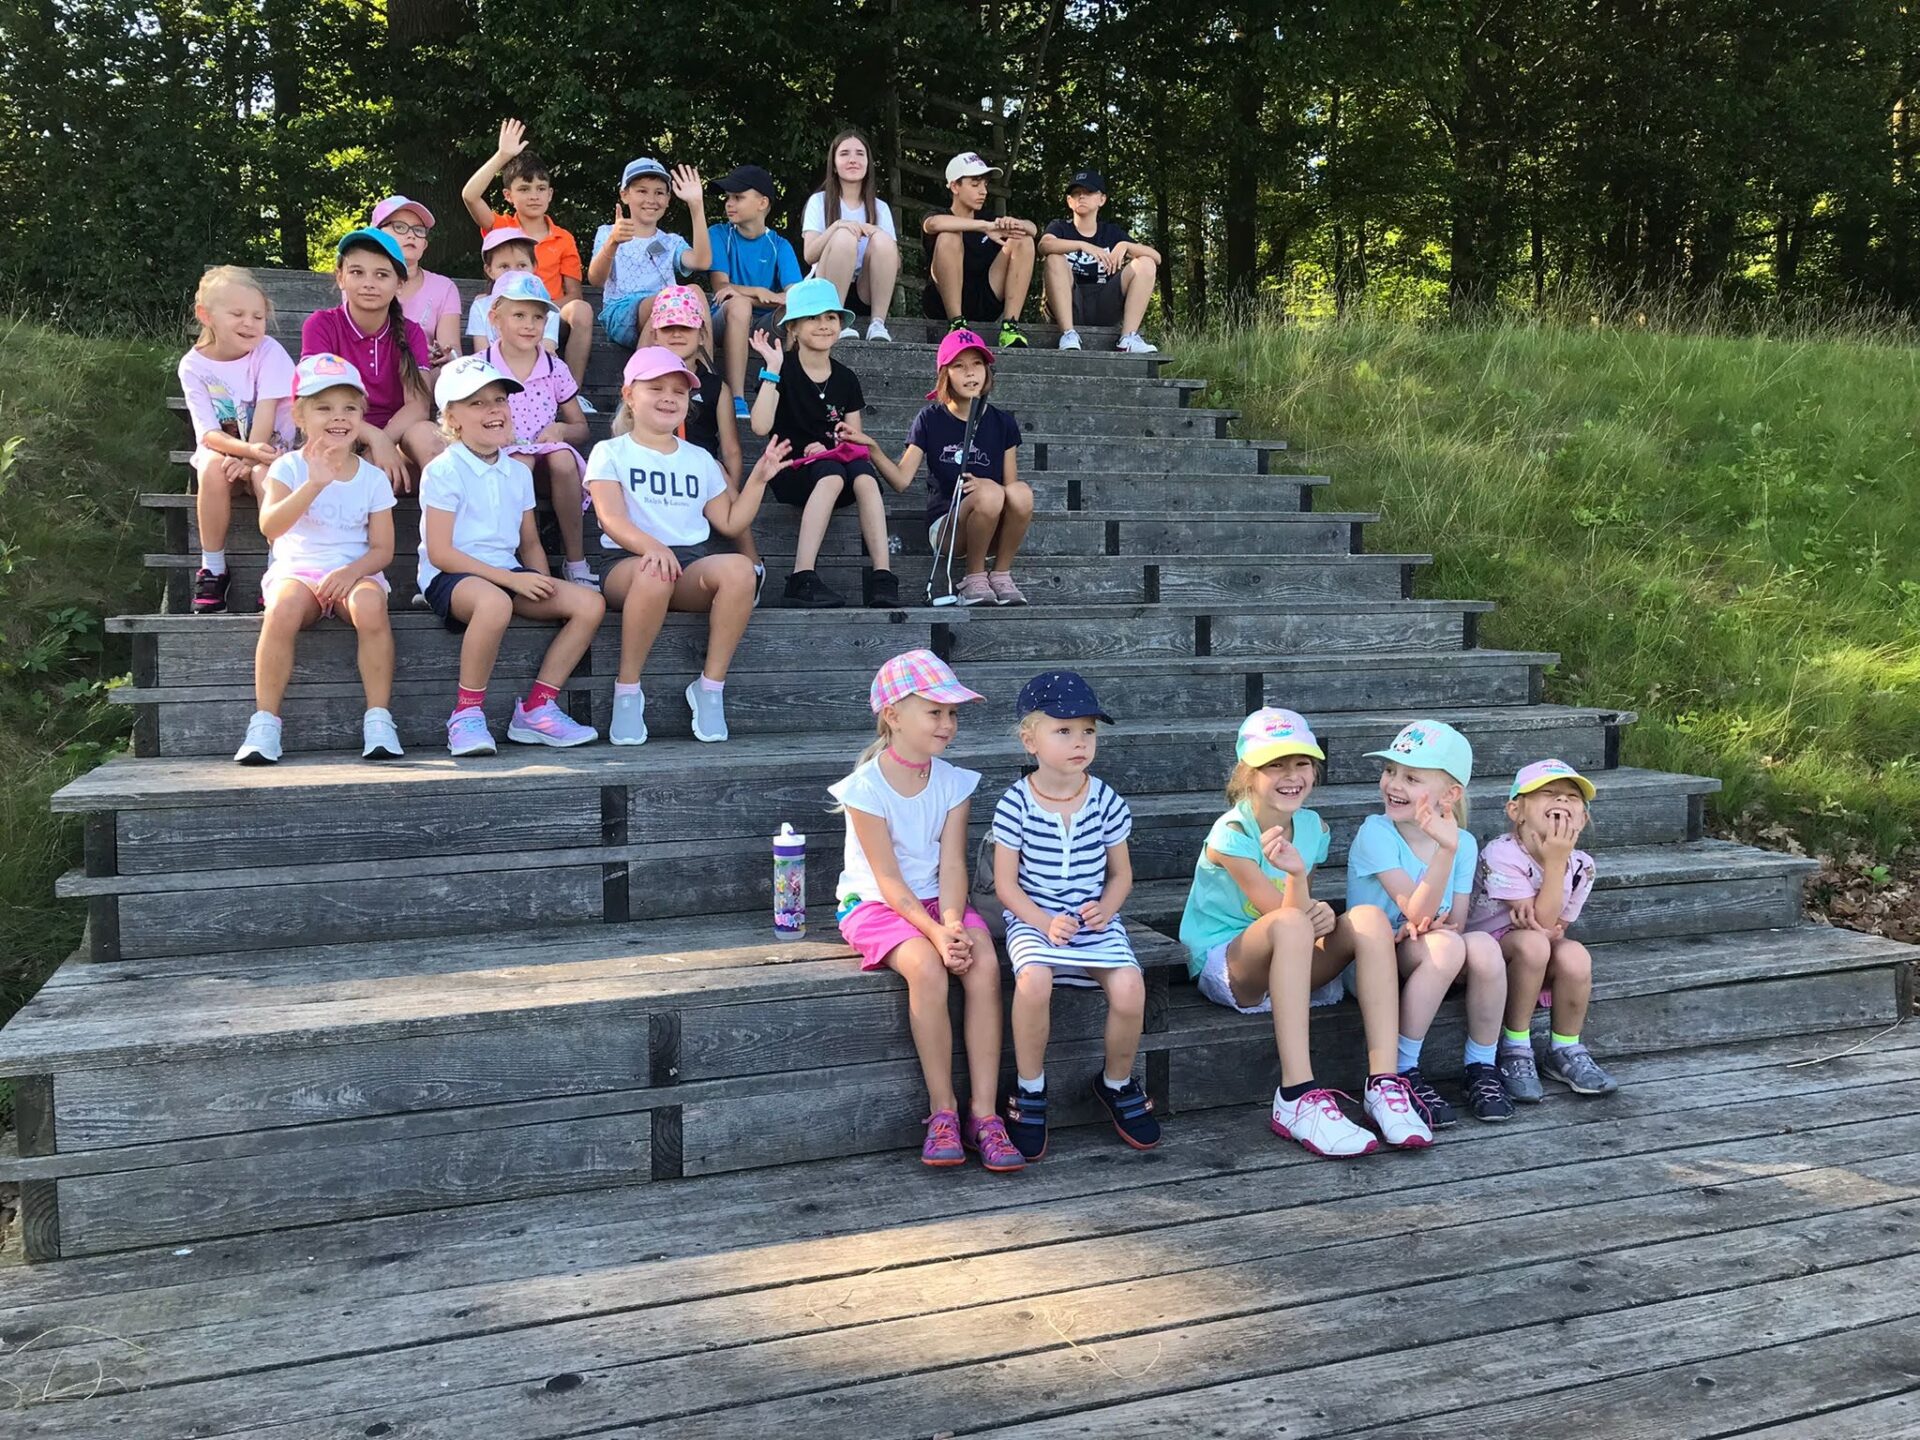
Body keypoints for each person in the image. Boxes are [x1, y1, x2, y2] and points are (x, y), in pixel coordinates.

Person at [1180, 709, 1432, 1157]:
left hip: (1289, 951)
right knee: (1292, 922)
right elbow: (1281, 912)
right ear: (1248, 773)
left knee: (1369, 919)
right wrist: (1301, 888)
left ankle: (1383, 1082)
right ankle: (1296, 1095)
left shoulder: (1314, 827)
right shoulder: (1232, 833)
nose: (1292, 775)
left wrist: (1322, 916)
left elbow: (1301, 912)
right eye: (1275, 765)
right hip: (1231, 965)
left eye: (1301, 763)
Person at [830, 650, 1024, 1173]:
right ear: (893, 715)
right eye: (934, 711)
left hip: (941, 901)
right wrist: (936, 936)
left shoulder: (953, 782)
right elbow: (889, 882)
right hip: (876, 904)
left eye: (952, 713)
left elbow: (953, 863)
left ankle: (985, 1114)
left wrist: (954, 922)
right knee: (926, 967)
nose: (947, 723)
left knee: (984, 962)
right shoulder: (865, 788)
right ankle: (943, 1110)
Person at [992, 671, 1159, 1159]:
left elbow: (1121, 875)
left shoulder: (1105, 800)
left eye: (1088, 731)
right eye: (1063, 730)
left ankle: (1116, 1082)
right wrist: (1043, 922)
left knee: (1130, 987)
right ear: (1031, 741)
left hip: (1093, 923)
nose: (1080, 741)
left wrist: (1107, 907)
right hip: (1034, 919)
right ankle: (1031, 1086)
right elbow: (1006, 886)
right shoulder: (1016, 804)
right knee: (1033, 981)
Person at [585, 347, 786, 746]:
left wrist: (759, 479)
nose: (669, 398)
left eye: (678, 392)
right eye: (656, 388)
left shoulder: (700, 459)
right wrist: (652, 548)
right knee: (653, 571)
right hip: (628, 564)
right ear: (629, 395)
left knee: (740, 570)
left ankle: (710, 687)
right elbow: (611, 519)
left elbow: (730, 523)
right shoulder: (609, 451)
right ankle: (628, 690)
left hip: (690, 566)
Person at [415, 355, 603, 756]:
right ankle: (466, 715)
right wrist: (512, 580)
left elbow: (529, 542)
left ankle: (537, 709)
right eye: (477, 403)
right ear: (452, 418)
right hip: (451, 577)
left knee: (589, 604)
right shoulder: (443, 470)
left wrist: (542, 583)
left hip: (506, 573)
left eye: (499, 400)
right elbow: (441, 553)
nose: (494, 410)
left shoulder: (518, 471)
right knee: (495, 603)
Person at [235, 355, 400, 765]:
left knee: (371, 605)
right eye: (324, 407)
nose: (338, 417)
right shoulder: (288, 467)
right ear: (300, 417)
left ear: (362, 415)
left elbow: (383, 549)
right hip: (299, 571)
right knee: (282, 608)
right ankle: (265, 723)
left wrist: (351, 572)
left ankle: (379, 719)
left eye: (350, 408)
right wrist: (314, 484)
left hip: (354, 573)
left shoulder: (372, 478)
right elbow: (271, 527)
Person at [1346, 720, 1511, 1127]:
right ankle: (1403, 1069)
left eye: (1411, 777)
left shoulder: (1464, 843)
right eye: (1390, 771)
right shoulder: (1376, 833)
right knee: (1447, 946)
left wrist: (1426, 924)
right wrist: (1443, 853)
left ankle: (1481, 1065)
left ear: (1450, 795)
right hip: (1372, 964)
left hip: (1428, 953)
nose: (1393, 784)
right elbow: (1420, 914)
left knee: (1484, 947)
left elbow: (1454, 922)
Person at [1468, 760, 1619, 1099]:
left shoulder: (1582, 867)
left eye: (1572, 797)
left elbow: (1556, 927)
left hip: (1535, 946)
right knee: (1534, 944)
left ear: (1582, 819)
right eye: (1548, 793)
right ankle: (1515, 1046)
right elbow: (1543, 925)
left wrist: (1559, 863)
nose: (1562, 800)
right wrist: (1554, 862)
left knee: (1575, 956)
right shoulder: (1501, 853)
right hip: (1486, 953)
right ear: (1516, 811)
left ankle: (1565, 1048)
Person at [851, 327, 1032, 606]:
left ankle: (1000, 574)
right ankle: (974, 579)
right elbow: (901, 480)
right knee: (989, 494)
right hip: (948, 527)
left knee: (1021, 492)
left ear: (987, 371)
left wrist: (990, 486)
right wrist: (872, 448)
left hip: (993, 523)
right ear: (945, 374)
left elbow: (1011, 489)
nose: (970, 373)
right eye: (959, 366)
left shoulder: (1003, 422)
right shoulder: (930, 418)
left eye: (977, 364)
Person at [747, 277, 896, 609]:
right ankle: (801, 577)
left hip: (835, 467)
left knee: (864, 474)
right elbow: (759, 426)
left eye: (831, 317)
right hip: (790, 470)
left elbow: (855, 444)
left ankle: (882, 576)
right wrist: (772, 369)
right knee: (831, 473)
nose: (824, 324)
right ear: (793, 328)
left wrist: (830, 451)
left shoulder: (846, 378)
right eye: (813, 317)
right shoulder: (782, 370)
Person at [178, 265, 295, 614]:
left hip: (272, 449)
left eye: (258, 316)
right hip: (227, 452)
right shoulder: (193, 366)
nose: (250, 323)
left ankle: (279, 568)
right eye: (238, 314)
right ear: (206, 316)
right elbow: (208, 433)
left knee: (266, 476)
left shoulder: (269, 351)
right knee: (210, 469)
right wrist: (242, 453)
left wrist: (249, 459)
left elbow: (267, 413)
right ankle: (213, 568)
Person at [633, 284, 761, 588]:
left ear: (702, 334)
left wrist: (730, 487)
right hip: (653, 464)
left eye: (686, 327)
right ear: (654, 334)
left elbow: (731, 448)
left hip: (701, 472)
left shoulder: (715, 387)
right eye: (668, 328)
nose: (677, 334)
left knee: (714, 467)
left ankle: (754, 562)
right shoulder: (641, 381)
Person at [481, 272, 595, 589]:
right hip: (497, 461)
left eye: (538, 317)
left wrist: (560, 430)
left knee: (562, 458)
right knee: (521, 460)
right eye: (519, 315)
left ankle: (576, 562)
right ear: (495, 318)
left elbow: (581, 428)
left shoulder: (555, 367)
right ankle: (512, 558)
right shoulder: (481, 367)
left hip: (547, 465)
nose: (530, 325)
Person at [299, 229, 438, 488]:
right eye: (357, 272)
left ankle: (444, 513)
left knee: (429, 436)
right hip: (337, 430)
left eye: (382, 275)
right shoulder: (321, 325)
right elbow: (315, 402)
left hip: (396, 438)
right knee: (331, 448)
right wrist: (375, 439)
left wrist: (384, 443)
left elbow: (418, 406)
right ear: (340, 277)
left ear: (399, 283)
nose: (369, 283)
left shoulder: (411, 332)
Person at [461, 119, 594, 387]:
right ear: (508, 195)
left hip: (550, 315)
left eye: (540, 189)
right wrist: (502, 156)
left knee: (581, 310)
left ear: (550, 194)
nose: (534, 195)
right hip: (507, 315)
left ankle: (571, 390)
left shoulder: (564, 238)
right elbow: (470, 196)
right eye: (524, 189)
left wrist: (536, 305)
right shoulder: (501, 227)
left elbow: (574, 295)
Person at [707, 164, 803, 419]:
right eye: (728, 197)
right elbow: (721, 287)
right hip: (723, 320)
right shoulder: (718, 234)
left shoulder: (780, 245)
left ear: (762, 203)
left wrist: (759, 298)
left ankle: (795, 392)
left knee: (798, 315)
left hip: (764, 325)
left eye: (738, 197)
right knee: (739, 305)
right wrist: (759, 292)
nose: (729, 203)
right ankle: (737, 398)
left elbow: (795, 297)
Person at [588, 158, 713, 349]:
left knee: (694, 291)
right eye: (642, 191)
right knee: (666, 301)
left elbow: (702, 262)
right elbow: (596, 280)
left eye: (659, 193)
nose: (651, 200)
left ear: (668, 199)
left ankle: (706, 366)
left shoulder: (671, 242)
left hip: (671, 312)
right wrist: (613, 243)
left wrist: (696, 205)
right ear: (624, 195)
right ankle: (643, 367)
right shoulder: (608, 233)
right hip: (622, 315)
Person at [1039, 168, 1162, 354]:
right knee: (1054, 258)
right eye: (1076, 193)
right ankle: (1068, 334)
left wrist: (1125, 246)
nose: (1081, 197)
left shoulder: (1110, 232)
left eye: (1088, 192)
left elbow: (1156, 257)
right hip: (1070, 303)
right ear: (1069, 201)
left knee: (1145, 262)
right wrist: (1082, 245)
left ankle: (1128, 338)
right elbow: (1044, 246)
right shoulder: (1060, 227)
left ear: (1102, 199)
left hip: (1103, 303)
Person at [920, 152, 1035, 349]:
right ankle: (957, 324)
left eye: (985, 184)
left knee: (1023, 239)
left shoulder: (991, 219)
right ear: (955, 186)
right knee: (949, 235)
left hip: (985, 301)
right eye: (975, 184)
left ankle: (1010, 326)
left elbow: (1033, 229)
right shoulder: (940, 215)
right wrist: (984, 227)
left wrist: (1016, 224)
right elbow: (932, 224)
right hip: (942, 306)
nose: (983, 191)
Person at [801, 128, 898, 342]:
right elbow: (809, 255)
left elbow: (894, 262)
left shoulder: (880, 208)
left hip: (865, 291)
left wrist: (877, 234)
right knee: (844, 236)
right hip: (826, 291)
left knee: (882, 239)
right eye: (844, 154)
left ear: (868, 163)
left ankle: (878, 324)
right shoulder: (819, 201)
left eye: (859, 154)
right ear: (834, 165)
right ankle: (836, 318)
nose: (853, 160)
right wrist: (836, 227)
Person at [372, 195, 461, 367]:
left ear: (425, 245)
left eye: (418, 230)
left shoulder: (444, 288)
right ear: (376, 235)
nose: (411, 235)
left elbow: (452, 349)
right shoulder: (361, 281)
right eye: (399, 227)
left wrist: (446, 355)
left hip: (425, 371)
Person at [465, 228, 562, 354]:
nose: (514, 272)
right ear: (489, 271)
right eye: (504, 266)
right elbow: (482, 354)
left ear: (534, 267)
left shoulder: (548, 309)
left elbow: (547, 350)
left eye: (522, 265)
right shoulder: (480, 307)